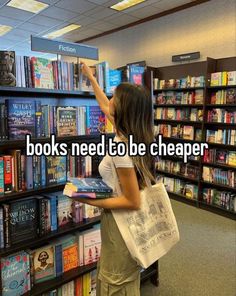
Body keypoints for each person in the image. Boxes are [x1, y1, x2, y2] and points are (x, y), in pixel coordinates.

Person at [74, 61, 156, 296]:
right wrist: (91, 79)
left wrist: (89, 199)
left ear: (123, 109)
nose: (109, 101)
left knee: (115, 282)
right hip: (127, 223)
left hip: (120, 223)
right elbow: (102, 104)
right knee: (120, 276)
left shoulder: (122, 147)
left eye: (114, 99)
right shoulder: (133, 136)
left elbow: (132, 201)